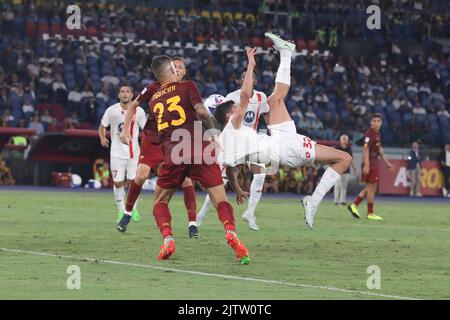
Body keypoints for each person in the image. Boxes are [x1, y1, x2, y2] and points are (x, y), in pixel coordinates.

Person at [120, 55, 250, 263]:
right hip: (201, 149)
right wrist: (213, 134)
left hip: (174, 153)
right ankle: (231, 232)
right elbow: (201, 111)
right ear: (172, 69)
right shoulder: (188, 86)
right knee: (220, 200)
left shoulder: (153, 100)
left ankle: (168, 239)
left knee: (160, 202)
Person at [214, 33, 352, 230]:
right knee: (344, 159)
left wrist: (236, 189)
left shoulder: (227, 140)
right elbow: (245, 95)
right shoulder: (234, 125)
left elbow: (228, 167)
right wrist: (251, 65)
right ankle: (312, 203)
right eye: (234, 108)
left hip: (279, 140)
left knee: (275, 99)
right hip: (286, 149)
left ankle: (287, 53)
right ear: (229, 116)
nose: (238, 109)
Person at [121, 57, 200, 238]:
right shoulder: (154, 87)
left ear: (184, 71)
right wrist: (126, 130)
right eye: (175, 67)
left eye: (181, 67)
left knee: (186, 180)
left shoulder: (187, 89)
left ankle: (193, 224)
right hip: (153, 138)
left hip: (174, 140)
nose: (178, 70)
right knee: (141, 175)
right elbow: (134, 105)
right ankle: (127, 213)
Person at [223, 70, 270, 231]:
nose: (246, 80)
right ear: (239, 81)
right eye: (243, 78)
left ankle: (250, 213)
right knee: (221, 179)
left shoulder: (261, 97)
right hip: (234, 142)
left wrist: (273, 133)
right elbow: (224, 119)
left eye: (249, 78)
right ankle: (199, 218)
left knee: (261, 173)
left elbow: (266, 116)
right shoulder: (231, 97)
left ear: (254, 81)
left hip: (251, 141)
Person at [99, 83, 147, 223]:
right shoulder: (111, 110)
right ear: (119, 95)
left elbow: (146, 130)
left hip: (134, 153)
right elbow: (102, 126)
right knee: (118, 182)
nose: (125, 94)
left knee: (134, 182)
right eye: (122, 91)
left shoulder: (139, 112)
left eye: (127, 91)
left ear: (132, 95)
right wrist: (102, 137)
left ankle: (133, 209)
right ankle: (121, 210)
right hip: (116, 153)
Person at [348, 114, 395, 221]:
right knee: (372, 188)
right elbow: (366, 149)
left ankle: (354, 205)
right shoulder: (369, 134)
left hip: (374, 162)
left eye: (378, 121)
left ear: (381, 123)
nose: (376, 123)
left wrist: (387, 163)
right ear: (371, 122)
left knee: (371, 187)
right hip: (370, 163)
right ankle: (370, 213)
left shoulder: (377, 134)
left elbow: (380, 150)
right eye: (374, 121)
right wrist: (367, 164)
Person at [333, 134, 356, 205]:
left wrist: (353, 168)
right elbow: (333, 158)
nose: (344, 141)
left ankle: (342, 200)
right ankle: (336, 200)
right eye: (343, 139)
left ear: (347, 140)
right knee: (337, 185)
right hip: (338, 169)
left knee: (344, 186)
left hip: (346, 170)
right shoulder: (337, 148)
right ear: (340, 140)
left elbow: (351, 159)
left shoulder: (349, 149)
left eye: (345, 139)